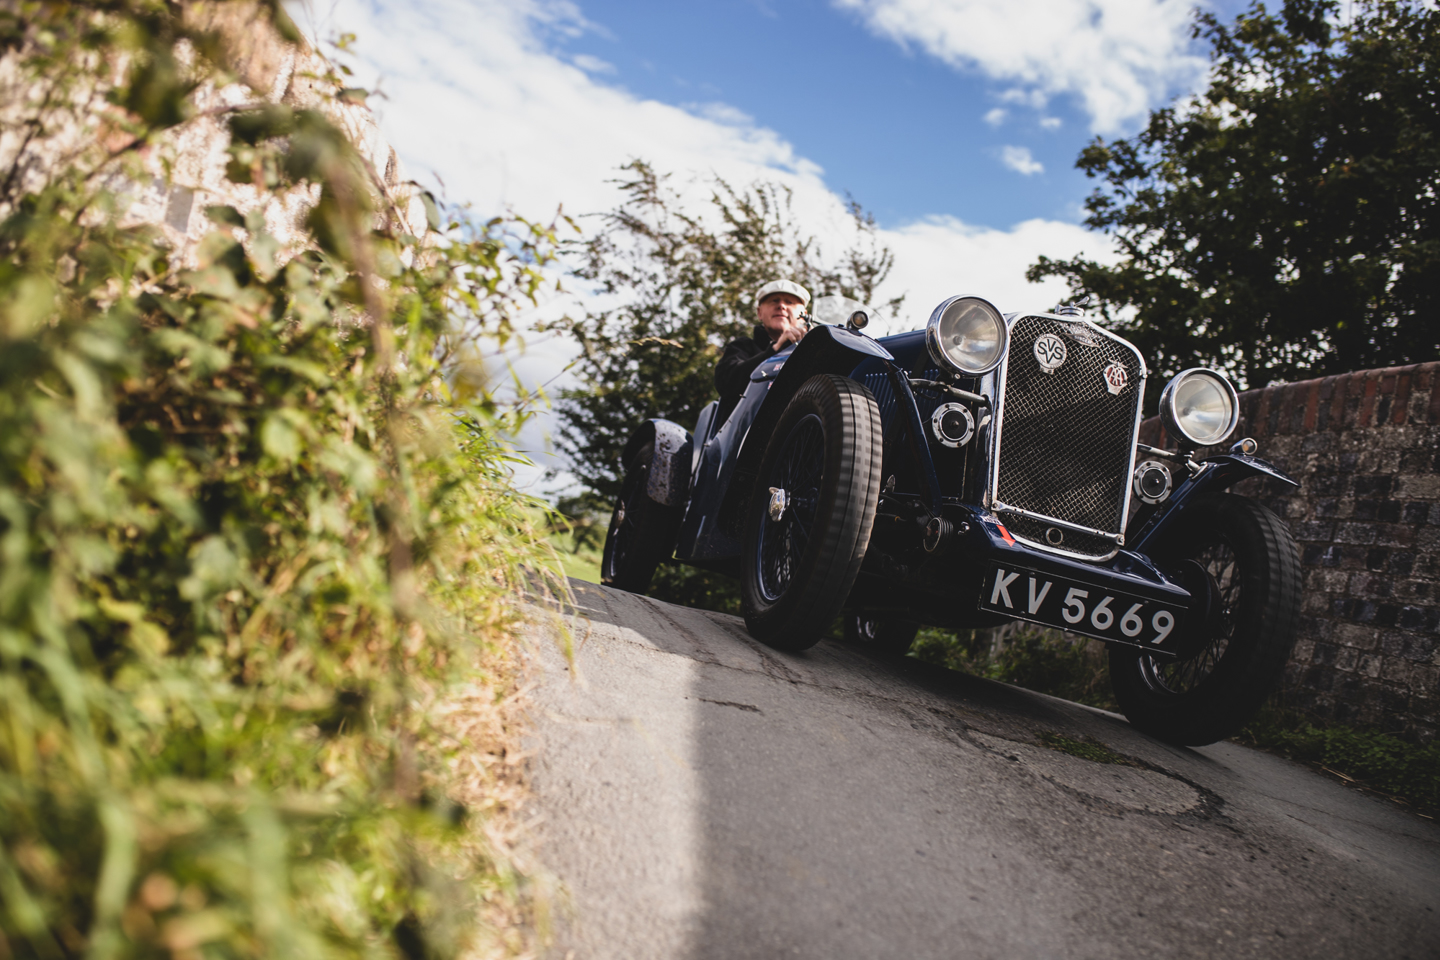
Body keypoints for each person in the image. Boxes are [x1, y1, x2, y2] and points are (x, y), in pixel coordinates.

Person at [714, 279, 811, 408]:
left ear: (804, 315)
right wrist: (776, 349)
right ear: (760, 313)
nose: (781, 306)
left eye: (789, 302)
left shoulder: (812, 352)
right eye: (774, 301)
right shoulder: (742, 347)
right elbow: (726, 384)